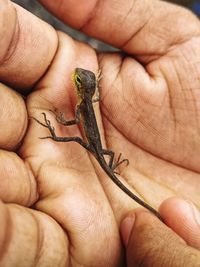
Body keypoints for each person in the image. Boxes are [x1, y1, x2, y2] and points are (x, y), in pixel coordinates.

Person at [1, 0, 200, 266]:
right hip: (101, 149)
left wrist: (57, 124)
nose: (76, 77)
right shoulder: (87, 102)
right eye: (80, 78)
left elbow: (74, 128)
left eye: (80, 80)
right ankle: (110, 164)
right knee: (102, 154)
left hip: (93, 147)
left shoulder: (84, 105)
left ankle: (54, 135)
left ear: (83, 89)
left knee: (73, 138)